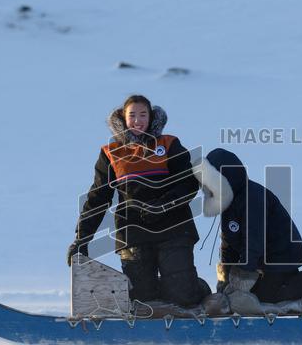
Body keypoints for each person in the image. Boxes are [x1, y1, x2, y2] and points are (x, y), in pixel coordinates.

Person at [67, 94, 207, 306]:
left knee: (183, 296)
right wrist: (82, 238)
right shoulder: (111, 153)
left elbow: (188, 183)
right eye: (132, 115)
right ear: (123, 118)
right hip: (132, 233)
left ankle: (197, 290)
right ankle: (162, 291)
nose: (138, 120)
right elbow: (98, 197)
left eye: (143, 114)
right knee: (143, 299)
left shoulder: (169, 144)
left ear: (151, 118)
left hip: (174, 228)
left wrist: (164, 205)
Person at [192, 147, 302, 303]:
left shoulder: (253, 197)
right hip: (260, 260)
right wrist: (226, 279)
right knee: (248, 294)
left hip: (280, 257)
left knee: (266, 297)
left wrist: (243, 275)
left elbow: (253, 239)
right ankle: (280, 281)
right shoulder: (228, 202)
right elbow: (228, 243)